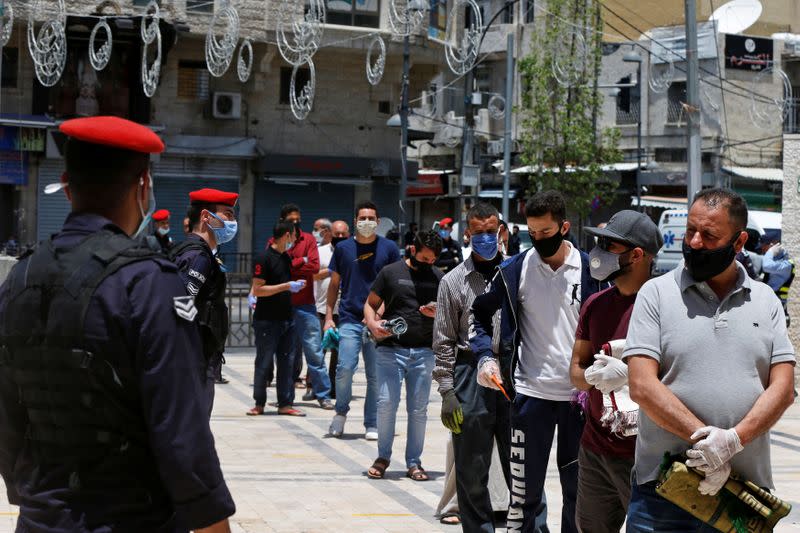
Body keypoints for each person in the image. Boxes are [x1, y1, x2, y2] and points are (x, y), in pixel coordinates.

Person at [0, 116, 235, 531]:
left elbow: (6, 409)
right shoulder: (146, 283)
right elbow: (181, 433)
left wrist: (28, 492)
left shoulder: (19, 278)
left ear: (67, 184)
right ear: (143, 186)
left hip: (40, 516)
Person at [624, 188, 796, 530]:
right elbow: (642, 385)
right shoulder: (655, 294)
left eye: (709, 235)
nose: (696, 243)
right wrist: (708, 444)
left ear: (739, 241)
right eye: (691, 231)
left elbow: (784, 387)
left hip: (743, 495)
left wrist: (733, 442)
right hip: (663, 494)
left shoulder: (766, 301)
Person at [470, 190, 606, 533]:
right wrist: (486, 356)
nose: (538, 240)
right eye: (532, 233)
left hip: (580, 399)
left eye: (545, 233)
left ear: (564, 227)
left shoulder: (592, 271)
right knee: (524, 495)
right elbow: (480, 316)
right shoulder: (514, 270)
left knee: (578, 492)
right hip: (530, 396)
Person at [568, 210, 662, 533]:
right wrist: (592, 379)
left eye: (609, 244)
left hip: (645, 457)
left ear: (637, 255)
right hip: (595, 450)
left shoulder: (665, 306)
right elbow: (576, 370)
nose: (598, 251)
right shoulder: (594, 304)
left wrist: (631, 375)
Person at [432, 202, 511, 533]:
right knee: (470, 468)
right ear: (467, 234)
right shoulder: (452, 281)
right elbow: (444, 340)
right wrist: (448, 391)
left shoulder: (517, 275)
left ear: (501, 233)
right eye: (479, 233)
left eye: (491, 232)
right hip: (469, 376)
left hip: (512, 373)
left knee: (520, 465)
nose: (485, 239)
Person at [364, 230, 444, 481]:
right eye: (424, 258)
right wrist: (372, 325)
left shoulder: (439, 277)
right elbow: (370, 304)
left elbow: (451, 312)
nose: (428, 264)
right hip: (390, 349)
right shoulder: (391, 272)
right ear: (413, 250)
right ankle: (383, 456)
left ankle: (414, 462)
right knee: (387, 404)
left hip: (423, 351)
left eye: (433, 260)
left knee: (419, 410)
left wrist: (437, 313)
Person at [324, 202, 401, 439]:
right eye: (362, 218)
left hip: (378, 320)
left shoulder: (389, 248)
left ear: (378, 222)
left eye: (371, 218)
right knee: (345, 367)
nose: (366, 222)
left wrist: (380, 315)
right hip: (349, 317)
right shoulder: (343, 248)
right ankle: (340, 413)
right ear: (355, 221)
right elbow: (334, 285)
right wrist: (328, 317)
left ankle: (371, 423)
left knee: (375, 374)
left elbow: (393, 286)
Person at [171, 187, 238, 401]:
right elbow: (181, 304)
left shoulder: (198, 252)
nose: (231, 222)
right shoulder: (198, 256)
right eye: (227, 214)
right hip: (194, 357)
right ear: (206, 217)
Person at [271, 204, 333, 408]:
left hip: (305, 305)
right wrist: (299, 262)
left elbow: (314, 267)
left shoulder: (308, 240)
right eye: (291, 219)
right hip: (281, 305)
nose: (295, 223)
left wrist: (290, 263)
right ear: (282, 221)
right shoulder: (274, 240)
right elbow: (275, 267)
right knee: (285, 354)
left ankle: (322, 394)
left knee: (314, 352)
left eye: (298, 219)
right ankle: (285, 397)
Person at [248, 221, 307, 417]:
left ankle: (285, 403)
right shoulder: (263, 258)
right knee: (264, 362)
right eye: (294, 237)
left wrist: (295, 285)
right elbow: (258, 289)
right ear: (286, 235)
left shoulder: (286, 258)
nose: (295, 241)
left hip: (287, 319)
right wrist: (286, 286)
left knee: (287, 362)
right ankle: (259, 403)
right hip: (267, 319)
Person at [762, 242, 795, 325]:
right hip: (772, 302)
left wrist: (770, 252)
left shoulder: (786, 264)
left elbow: (767, 266)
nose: (762, 250)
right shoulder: (777, 262)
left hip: (777, 303)